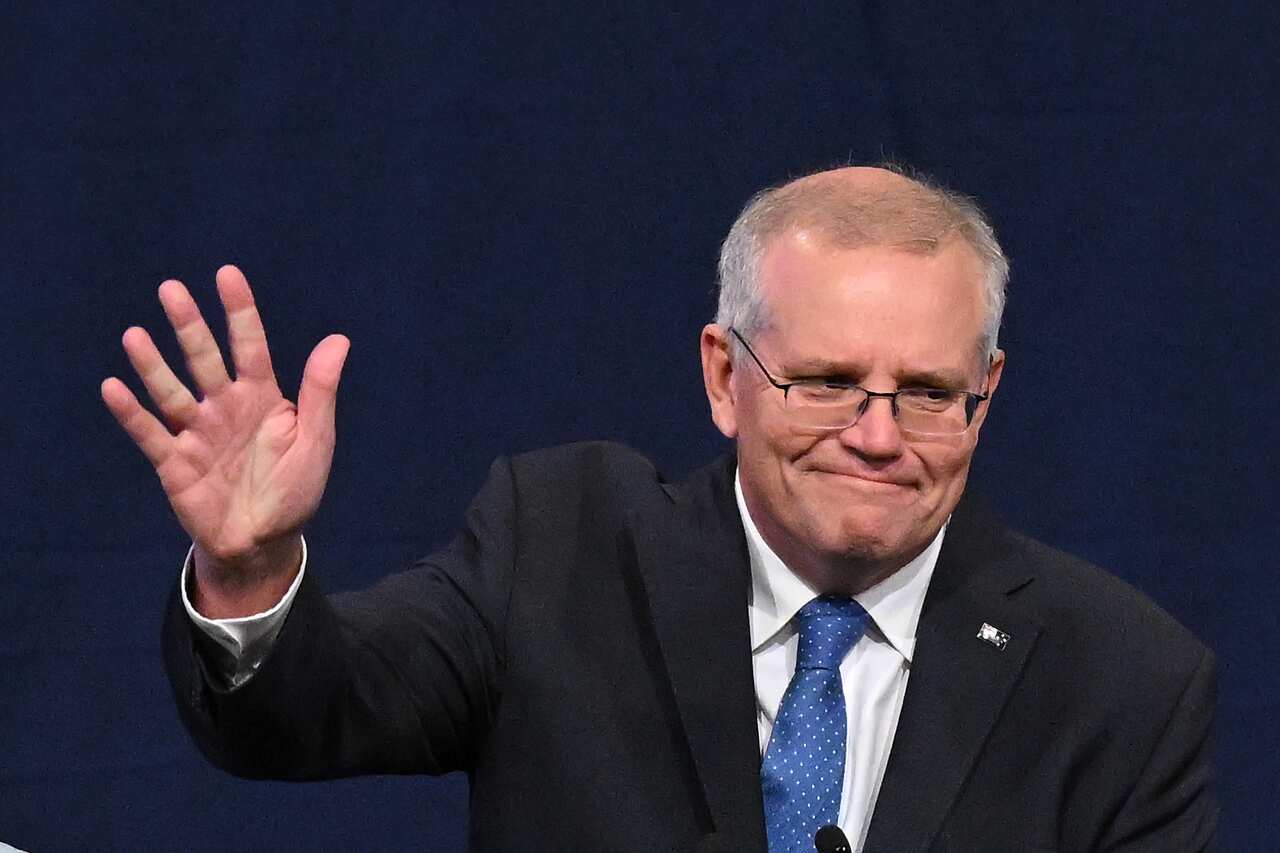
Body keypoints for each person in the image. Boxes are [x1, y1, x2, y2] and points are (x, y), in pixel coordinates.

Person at [102, 166, 1217, 852]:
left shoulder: (1119, 678)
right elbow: (308, 714)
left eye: (925, 392)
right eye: (827, 382)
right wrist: (249, 570)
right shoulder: (559, 552)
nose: (876, 435)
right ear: (724, 376)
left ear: (986, 394)